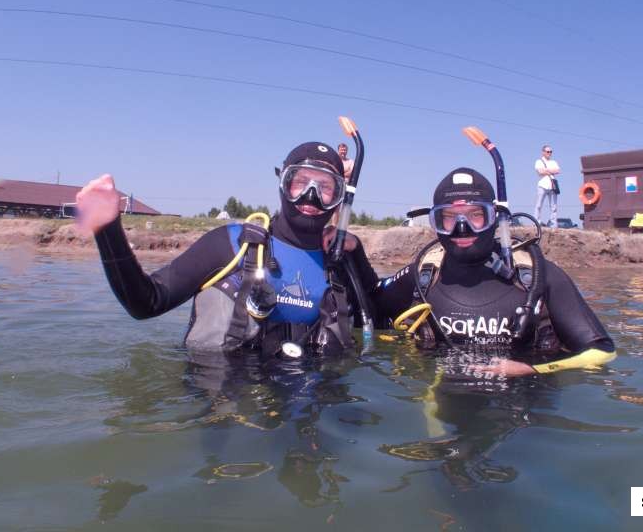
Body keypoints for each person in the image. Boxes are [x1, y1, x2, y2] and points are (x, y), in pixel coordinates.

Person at [76, 142, 378, 358]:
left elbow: (381, 315)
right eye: (300, 182)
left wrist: (358, 252)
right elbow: (146, 303)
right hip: (226, 420)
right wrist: (108, 231)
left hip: (312, 426)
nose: (311, 196)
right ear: (283, 182)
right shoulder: (231, 243)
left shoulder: (340, 260)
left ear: (340, 197)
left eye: (326, 188)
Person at [372, 167, 615, 377]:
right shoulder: (424, 274)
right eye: (448, 218)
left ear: (495, 218)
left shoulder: (537, 276)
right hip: (440, 410)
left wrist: (532, 370)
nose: (462, 228)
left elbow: (602, 352)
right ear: (435, 222)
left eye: (476, 215)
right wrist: (352, 253)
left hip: (524, 411)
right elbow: (367, 305)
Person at [534, 145, 560, 228]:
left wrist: (546, 170)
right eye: (548, 151)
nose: (549, 153)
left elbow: (558, 170)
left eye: (551, 152)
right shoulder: (539, 161)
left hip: (552, 186)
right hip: (542, 185)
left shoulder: (554, 162)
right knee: (538, 205)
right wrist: (551, 171)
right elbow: (540, 172)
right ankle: (536, 221)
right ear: (543, 152)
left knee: (554, 206)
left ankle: (553, 224)